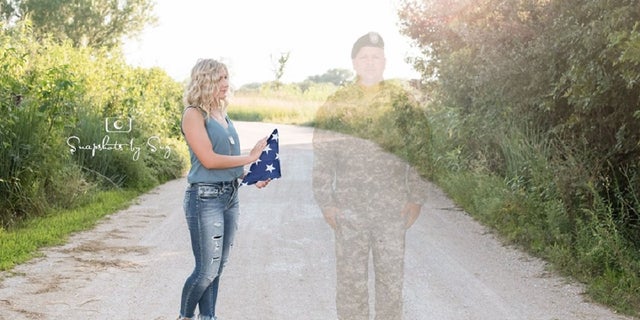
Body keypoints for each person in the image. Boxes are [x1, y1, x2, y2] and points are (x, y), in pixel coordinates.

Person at [312, 32, 428, 320]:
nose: (370, 62)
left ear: (385, 61)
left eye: (375, 57)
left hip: (391, 208)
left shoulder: (402, 104)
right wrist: (326, 202)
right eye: (364, 57)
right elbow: (323, 156)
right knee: (351, 286)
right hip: (349, 208)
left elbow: (419, 153)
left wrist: (416, 198)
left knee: (391, 284)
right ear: (354, 63)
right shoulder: (337, 103)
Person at [178, 58, 270, 320]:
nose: (226, 84)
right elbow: (208, 160)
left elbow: (227, 162)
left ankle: (209, 317)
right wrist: (250, 156)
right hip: (204, 198)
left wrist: (252, 175)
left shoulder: (222, 114)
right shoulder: (193, 114)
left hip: (230, 196)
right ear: (204, 81)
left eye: (227, 78)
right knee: (206, 270)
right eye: (219, 79)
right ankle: (185, 316)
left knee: (217, 268)